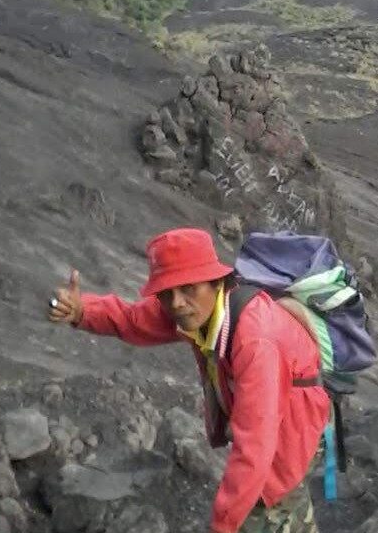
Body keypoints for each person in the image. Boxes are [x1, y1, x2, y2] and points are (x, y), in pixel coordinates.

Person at [48, 227, 331, 533]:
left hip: (290, 429)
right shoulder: (201, 307)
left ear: (216, 282)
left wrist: (222, 526)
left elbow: (256, 447)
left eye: (188, 289)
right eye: (166, 293)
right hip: (270, 419)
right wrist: (82, 311)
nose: (177, 303)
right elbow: (133, 320)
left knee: (264, 507)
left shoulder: (255, 341)